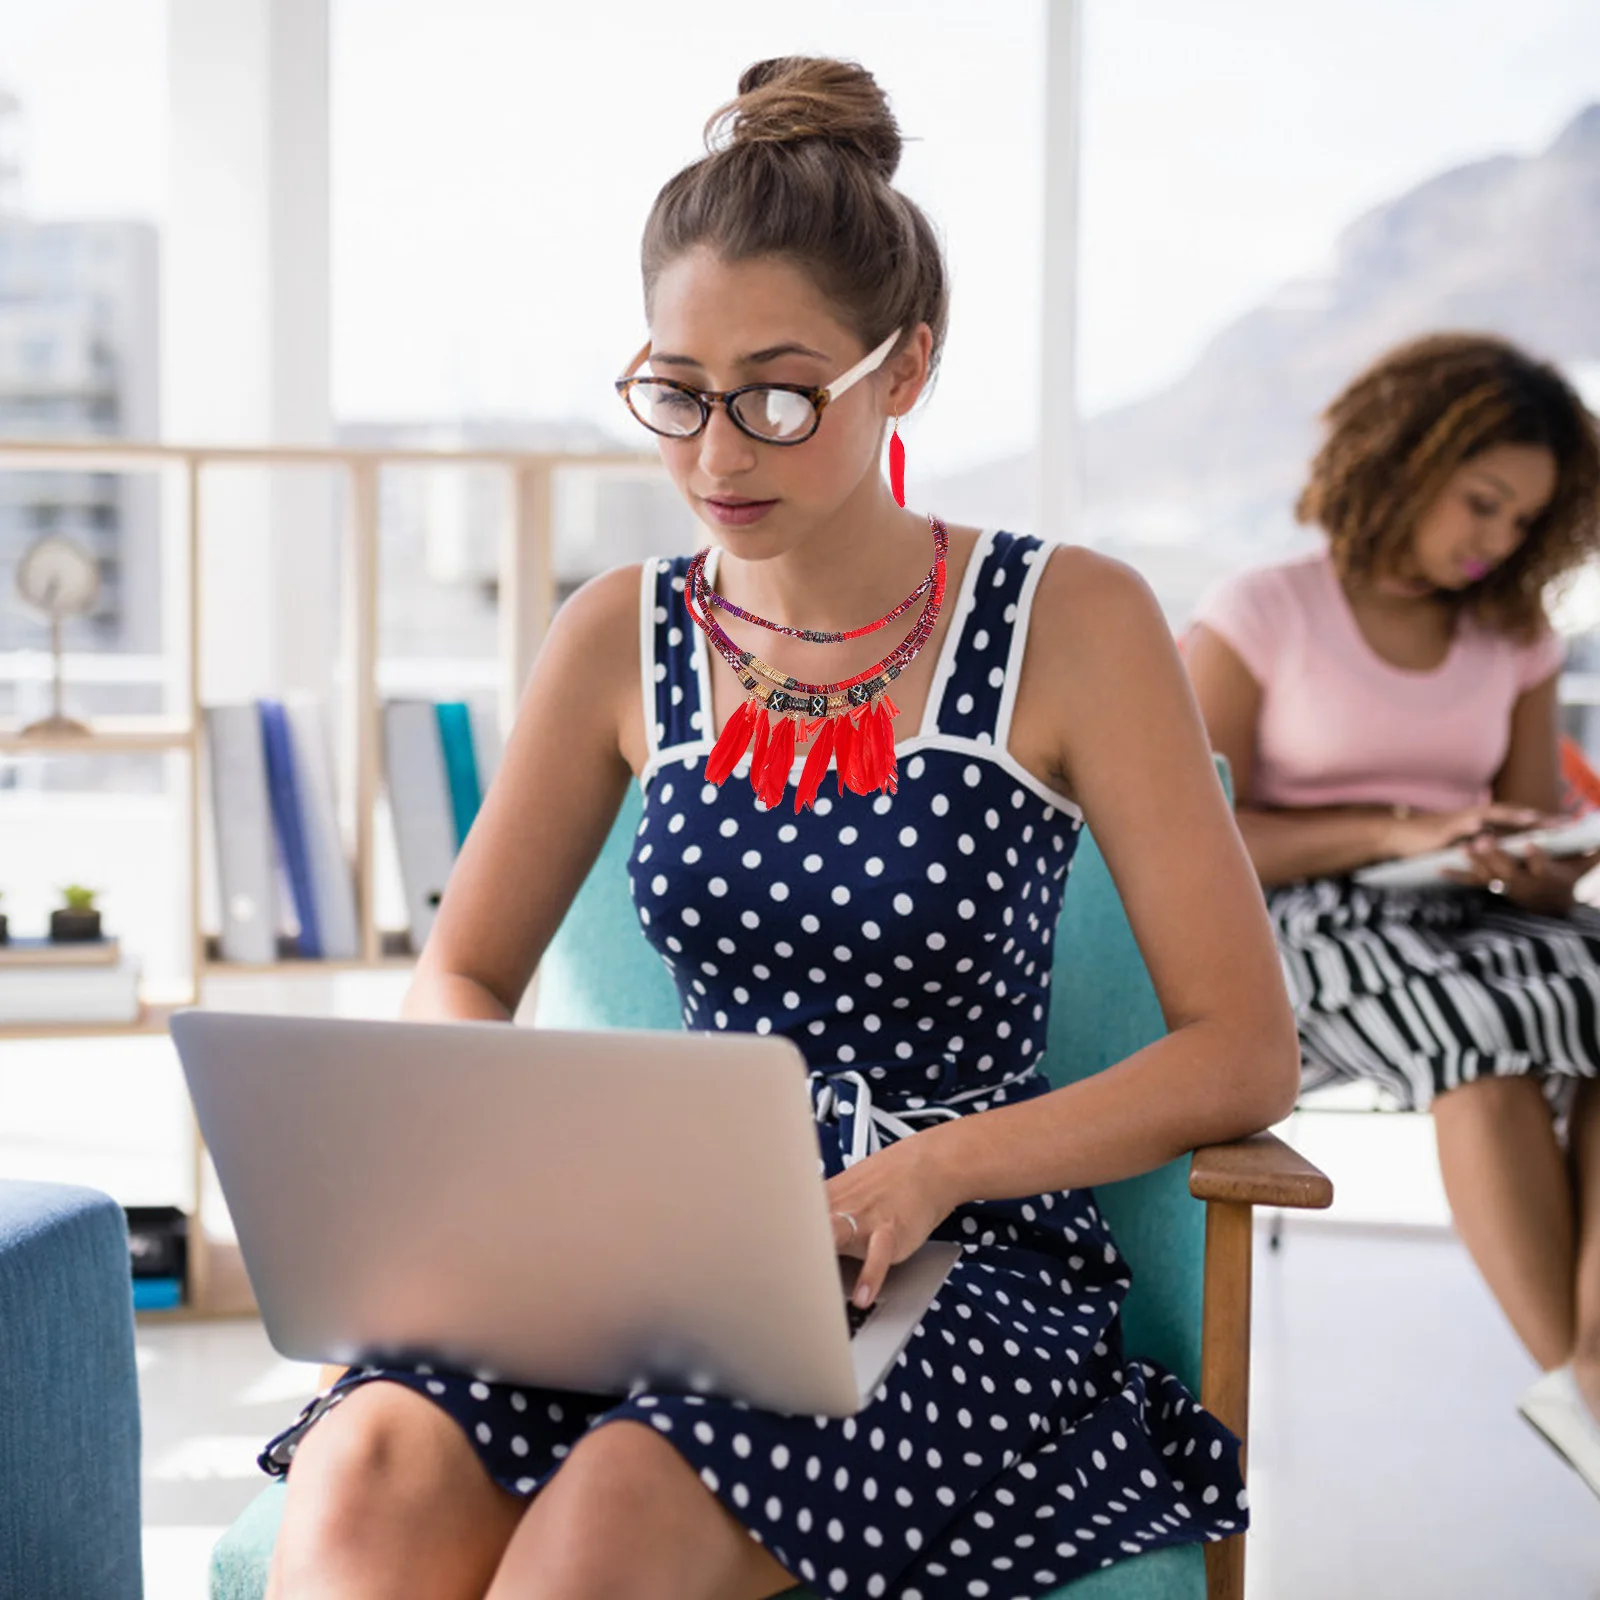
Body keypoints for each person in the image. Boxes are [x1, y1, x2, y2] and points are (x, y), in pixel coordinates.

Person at [260, 57, 1297, 1600]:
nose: (718, 456)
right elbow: (462, 970)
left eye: (781, 393)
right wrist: (503, 1164)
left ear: (906, 368)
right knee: (372, 1465)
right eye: (678, 392)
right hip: (649, 1247)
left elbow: (1242, 1050)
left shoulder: (1074, 621)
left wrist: (937, 1170)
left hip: (954, 1261)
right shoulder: (615, 636)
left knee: (616, 1514)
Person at [1184, 332, 1600, 1502]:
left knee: (1583, 987)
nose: (1497, 540)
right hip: (1300, 914)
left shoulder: (1514, 635)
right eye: (1481, 502)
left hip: (1473, 912)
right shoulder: (1265, 611)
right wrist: (1392, 827)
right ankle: (1588, 1395)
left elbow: (1526, 821)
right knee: (1484, 1039)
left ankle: (1593, 1381)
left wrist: (1536, 865)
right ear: (1408, 457)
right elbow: (1196, 840)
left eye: (1524, 520)